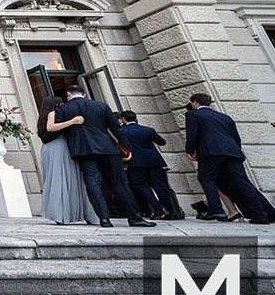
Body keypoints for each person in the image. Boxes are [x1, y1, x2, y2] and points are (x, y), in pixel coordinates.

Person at [51, 85, 155, 228]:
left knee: (93, 184)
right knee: (120, 184)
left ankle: (104, 219)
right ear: (85, 94)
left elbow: (54, 130)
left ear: (68, 94)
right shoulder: (101, 105)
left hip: (83, 151)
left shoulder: (63, 109)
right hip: (107, 148)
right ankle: (134, 217)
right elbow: (116, 128)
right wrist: (127, 148)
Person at [185, 93, 275, 224]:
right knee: (244, 184)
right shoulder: (225, 117)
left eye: (192, 103)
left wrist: (189, 150)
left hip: (211, 152)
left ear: (195, 102)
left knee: (206, 178)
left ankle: (216, 210)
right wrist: (234, 152)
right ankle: (261, 215)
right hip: (233, 153)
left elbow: (192, 134)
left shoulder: (193, 114)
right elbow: (236, 138)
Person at [37, 96, 97, 225]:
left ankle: (61, 213)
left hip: (48, 149)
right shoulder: (54, 114)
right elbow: (51, 128)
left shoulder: (42, 117)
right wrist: (71, 122)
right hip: (60, 148)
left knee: (56, 179)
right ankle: (63, 214)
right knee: (65, 179)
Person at [116, 110, 184, 220]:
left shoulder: (121, 131)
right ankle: (171, 211)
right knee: (161, 186)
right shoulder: (148, 130)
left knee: (139, 185)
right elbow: (162, 142)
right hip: (154, 161)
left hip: (136, 162)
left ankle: (158, 207)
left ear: (123, 119)